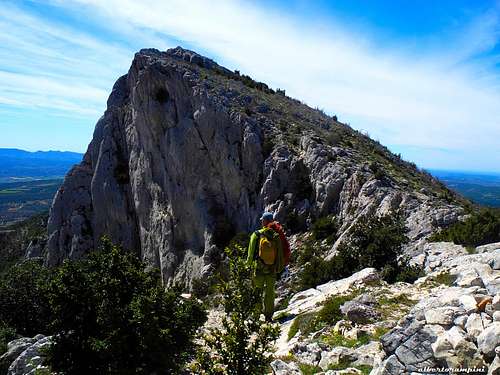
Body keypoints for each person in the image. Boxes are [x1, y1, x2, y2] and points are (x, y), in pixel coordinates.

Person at [247, 211, 290, 321]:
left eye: (262, 220)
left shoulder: (256, 234)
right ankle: (268, 316)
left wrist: (248, 266)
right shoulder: (276, 235)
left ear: (264, 221)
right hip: (272, 269)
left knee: (257, 292)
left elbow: (250, 254)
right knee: (269, 292)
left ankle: (256, 316)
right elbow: (281, 252)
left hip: (258, 268)